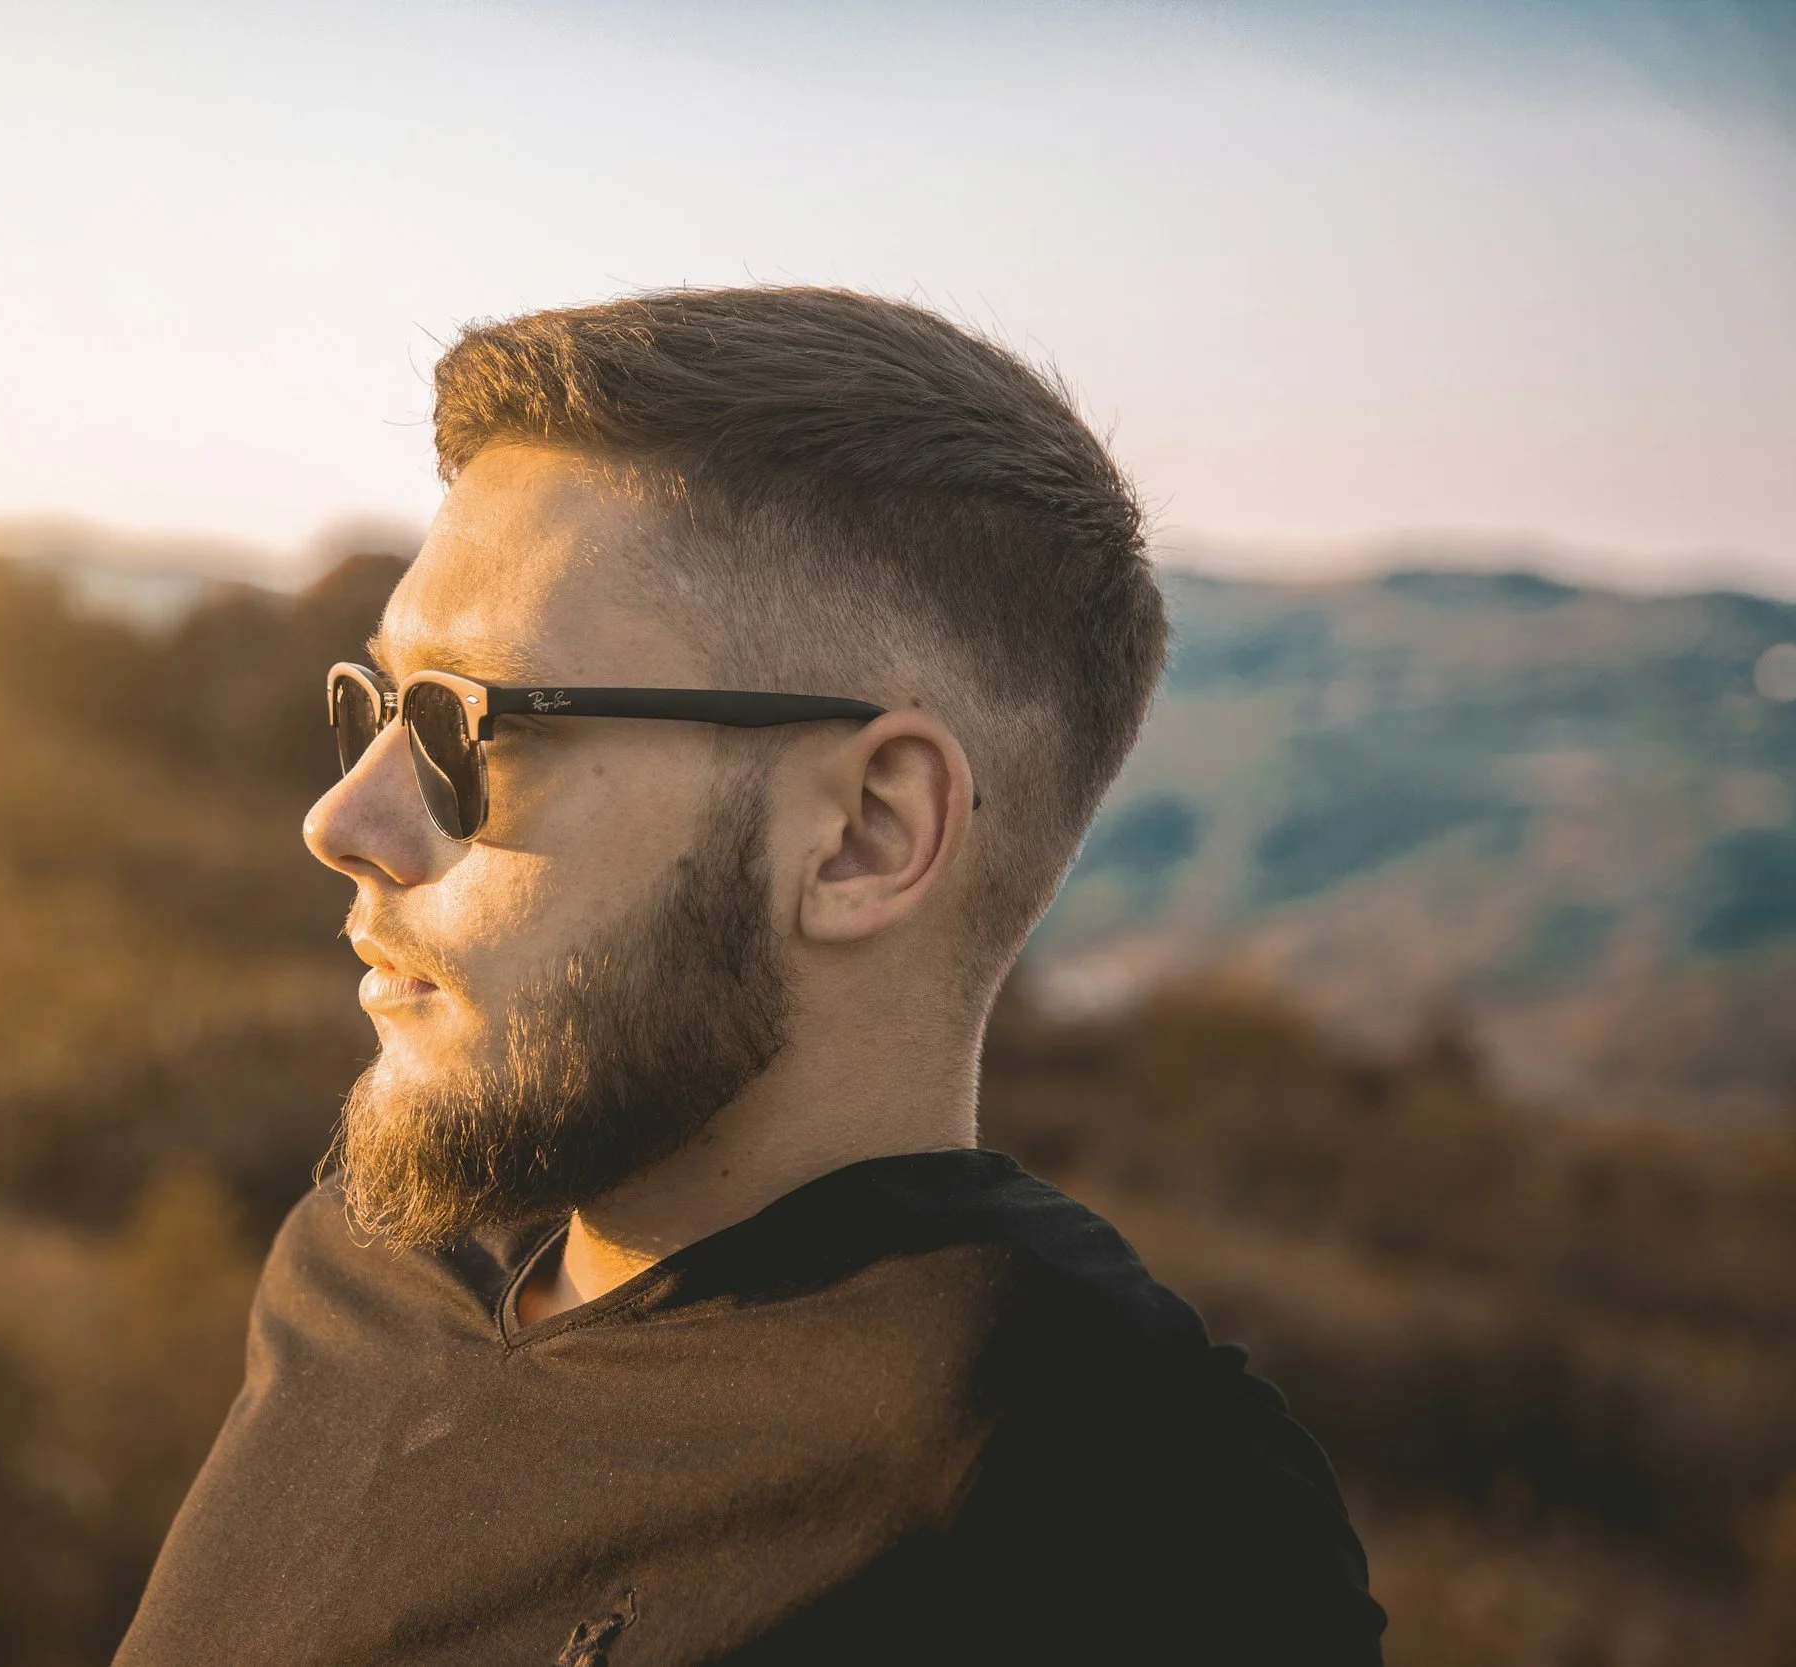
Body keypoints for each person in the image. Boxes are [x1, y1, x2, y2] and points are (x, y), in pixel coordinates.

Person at [115, 287, 1386, 1665]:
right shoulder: (359, 1278)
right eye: (374, 700)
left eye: (463, 722)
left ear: (865, 836)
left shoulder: (1107, 1501)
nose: (341, 820)